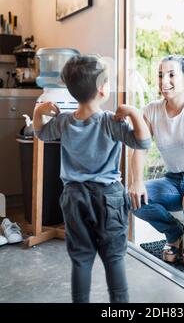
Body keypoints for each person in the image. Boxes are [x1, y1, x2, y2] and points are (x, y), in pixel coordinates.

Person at [33, 55, 151, 303]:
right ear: (102, 89)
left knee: (82, 259)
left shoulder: (64, 122)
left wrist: (38, 111)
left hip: (74, 198)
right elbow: (143, 141)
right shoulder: (111, 122)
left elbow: (41, 133)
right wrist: (134, 113)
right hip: (109, 198)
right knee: (114, 258)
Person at [130, 54, 184, 266]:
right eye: (160, 75)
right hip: (171, 181)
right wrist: (137, 182)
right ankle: (174, 233)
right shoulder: (152, 110)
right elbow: (140, 148)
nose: (164, 81)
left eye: (171, 75)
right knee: (133, 199)